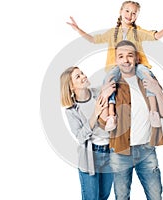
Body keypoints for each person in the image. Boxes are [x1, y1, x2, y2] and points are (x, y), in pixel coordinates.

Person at [66, 1, 163, 131]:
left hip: (137, 65)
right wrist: (78, 29)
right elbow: (94, 39)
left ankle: (154, 111)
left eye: (134, 13)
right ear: (120, 12)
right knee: (108, 81)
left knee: (148, 76)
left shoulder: (138, 32)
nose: (130, 15)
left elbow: (155, 36)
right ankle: (111, 116)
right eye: (127, 11)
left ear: (137, 16)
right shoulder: (112, 33)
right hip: (115, 67)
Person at [98, 40, 163, 200]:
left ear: (136, 58)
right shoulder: (111, 83)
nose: (125, 60)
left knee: (155, 196)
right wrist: (104, 97)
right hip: (120, 152)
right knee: (122, 196)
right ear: (116, 60)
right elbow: (103, 122)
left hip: (147, 149)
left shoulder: (146, 79)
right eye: (121, 56)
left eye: (129, 55)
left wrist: (157, 91)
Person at [60, 66, 116, 200]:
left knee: (104, 196)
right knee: (91, 197)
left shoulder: (99, 92)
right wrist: (95, 114)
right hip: (90, 158)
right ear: (71, 87)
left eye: (82, 73)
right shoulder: (72, 111)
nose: (84, 76)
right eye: (77, 77)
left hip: (110, 152)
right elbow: (80, 137)